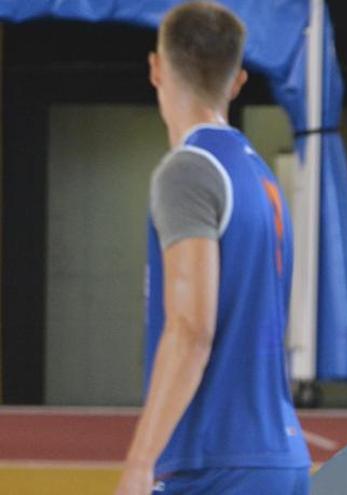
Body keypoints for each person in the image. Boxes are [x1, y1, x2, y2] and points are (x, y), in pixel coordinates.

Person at [115, 2, 310, 494]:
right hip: (280, 458)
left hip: (216, 460)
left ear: (156, 68)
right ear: (238, 80)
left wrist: (140, 462)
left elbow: (191, 330)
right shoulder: (259, 175)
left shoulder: (188, 172)